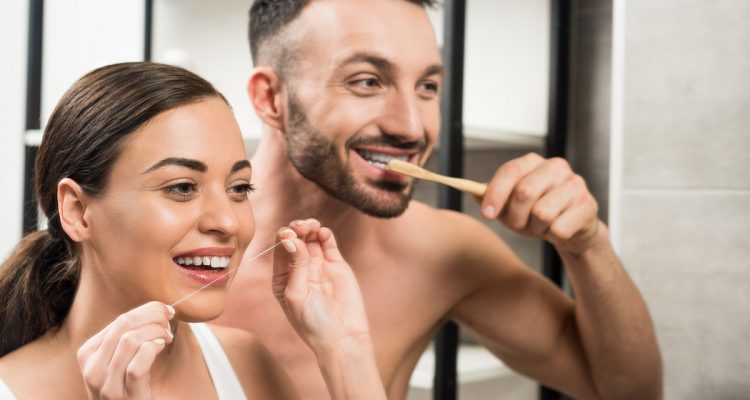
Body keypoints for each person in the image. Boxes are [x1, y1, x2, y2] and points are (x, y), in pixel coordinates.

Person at [213, 0, 664, 399]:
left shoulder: (442, 251)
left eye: (427, 87)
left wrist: (588, 244)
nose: (413, 127)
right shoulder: (169, 250)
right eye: (368, 82)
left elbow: (627, 392)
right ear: (270, 97)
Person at [0, 62, 386, 399]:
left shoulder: (247, 364)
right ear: (78, 211)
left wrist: (346, 351)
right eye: (182, 187)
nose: (229, 222)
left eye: (239, 189)